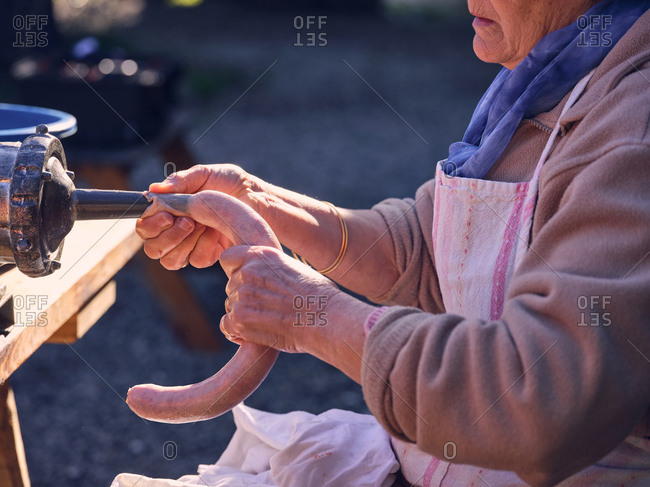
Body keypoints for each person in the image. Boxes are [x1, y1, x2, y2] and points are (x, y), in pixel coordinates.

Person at [124, 0, 650, 485]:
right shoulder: (557, 70)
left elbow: (536, 402)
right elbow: (429, 254)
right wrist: (262, 203)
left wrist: (312, 313)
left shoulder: (634, 124)